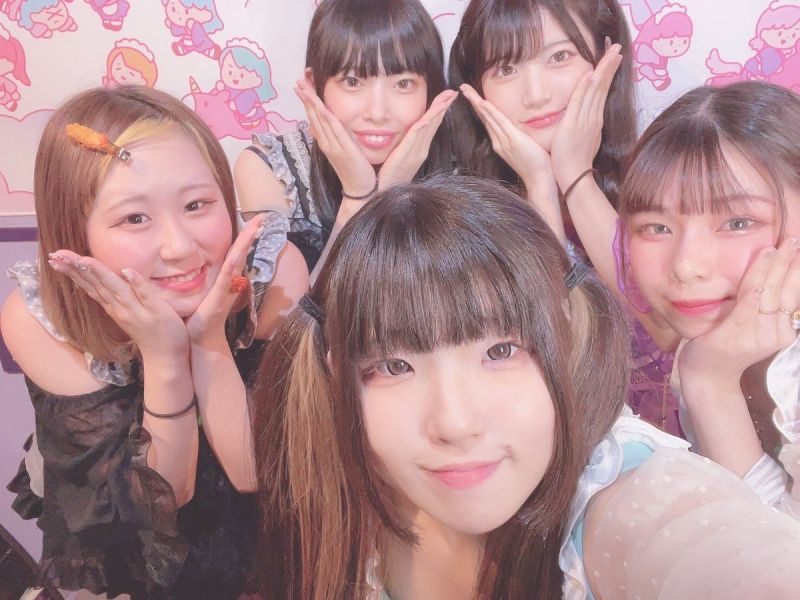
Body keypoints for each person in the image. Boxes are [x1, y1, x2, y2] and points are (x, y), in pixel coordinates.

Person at [252, 175, 800, 599]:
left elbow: (718, 551)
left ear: (565, 337)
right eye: (395, 366)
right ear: (337, 372)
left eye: (500, 352)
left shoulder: (616, 498)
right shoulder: (339, 487)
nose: (455, 424)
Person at [1, 85, 307, 599]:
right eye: (134, 218)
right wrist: (165, 356)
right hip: (138, 542)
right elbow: (165, 494)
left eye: (197, 204)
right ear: (76, 231)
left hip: (263, 537)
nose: (180, 247)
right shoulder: (42, 317)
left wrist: (207, 342)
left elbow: (254, 471)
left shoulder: (271, 272)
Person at [449, 0, 681, 433]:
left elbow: (665, 328)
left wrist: (575, 176)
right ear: (476, 89)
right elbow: (552, 366)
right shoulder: (462, 219)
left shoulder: (663, 181)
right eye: (506, 69)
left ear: (606, 58)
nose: (536, 93)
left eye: (559, 57)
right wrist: (540, 184)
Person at [618, 81, 800, 512]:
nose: (686, 266)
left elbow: (771, 551)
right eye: (657, 227)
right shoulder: (714, 342)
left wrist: (710, 385)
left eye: (737, 223)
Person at [233, 0, 456, 281]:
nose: (377, 113)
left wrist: (393, 190)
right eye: (352, 82)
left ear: (430, 90)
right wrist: (358, 198)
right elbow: (294, 312)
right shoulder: (271, 169)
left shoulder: (457, 164)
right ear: (315, 85)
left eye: (403, 84)